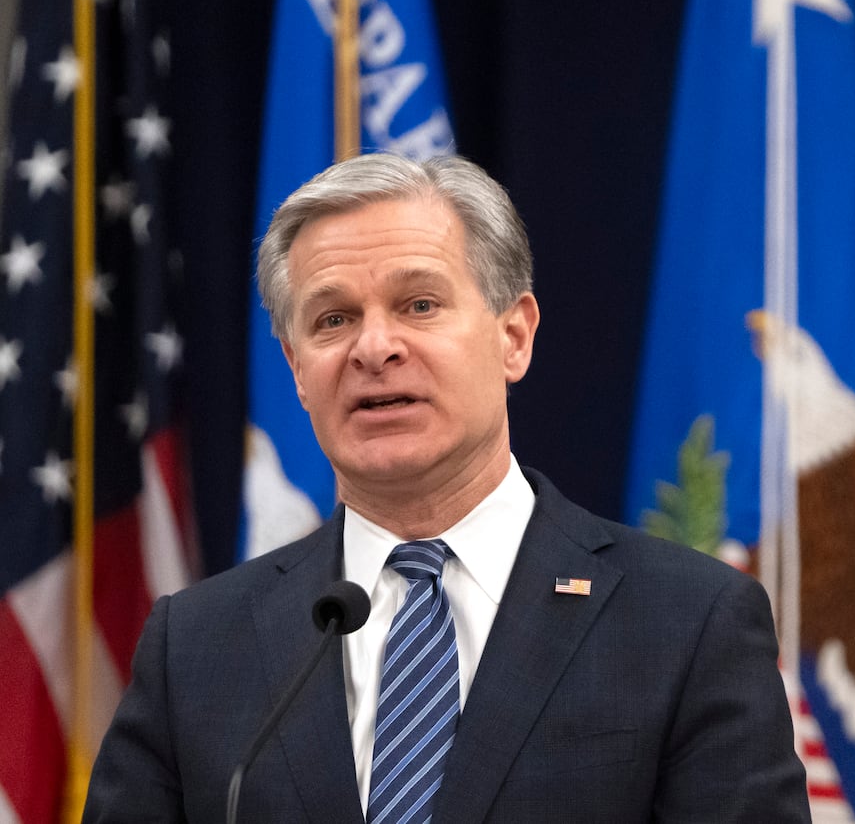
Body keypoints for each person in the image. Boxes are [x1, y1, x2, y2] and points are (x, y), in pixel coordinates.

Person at [84, 153, 811, 822]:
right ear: (298, 369)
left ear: (514, 336)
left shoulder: (687, 623)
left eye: (419, 304)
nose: (375, 347)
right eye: (333, 319)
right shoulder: (198, 649)